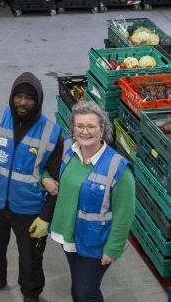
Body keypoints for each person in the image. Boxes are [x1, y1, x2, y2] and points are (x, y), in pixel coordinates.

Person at [0, 72, 64, 302]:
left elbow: (56, 180)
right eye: (18, 96)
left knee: (30, 257)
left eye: (29, 98)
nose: (22, 103)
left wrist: (46, 216)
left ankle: (31, 293)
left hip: (30, 209)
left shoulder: (52, 133)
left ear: (39, 101)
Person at [49, 101, 135, 302]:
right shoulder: (69, 148)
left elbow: (125, 213)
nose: (84, 132)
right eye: (79, 126)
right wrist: (46, 177)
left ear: (102, 129)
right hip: (69, 234)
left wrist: (113, 248)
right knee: (78, 286)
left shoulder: (118, 168)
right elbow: (48, 166)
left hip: (95, 242)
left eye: (91, 127)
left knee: (87, 291)